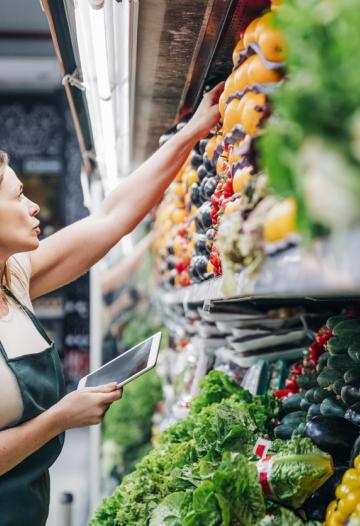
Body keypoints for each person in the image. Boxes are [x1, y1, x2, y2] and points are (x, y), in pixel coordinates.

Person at [0, 82, 223, 525]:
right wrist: (59, 418)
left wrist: (191, 132)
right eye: (17, 195)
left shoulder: (15, 279)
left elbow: (111, 218)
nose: (33, 206)